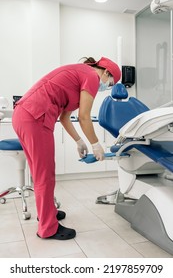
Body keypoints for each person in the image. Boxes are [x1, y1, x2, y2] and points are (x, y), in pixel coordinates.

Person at [12, 56, 121, 240]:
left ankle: (48, 213)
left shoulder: (80, 73)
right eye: (110, 84)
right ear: (106, 72)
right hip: (35, 117)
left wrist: (79, 141)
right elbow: (84, 117)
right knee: (45, 174)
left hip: (26, 115)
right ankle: (48, 228)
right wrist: (96, 145)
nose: (107, 87)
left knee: (41, 173)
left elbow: (65, 117)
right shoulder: (92, 77)